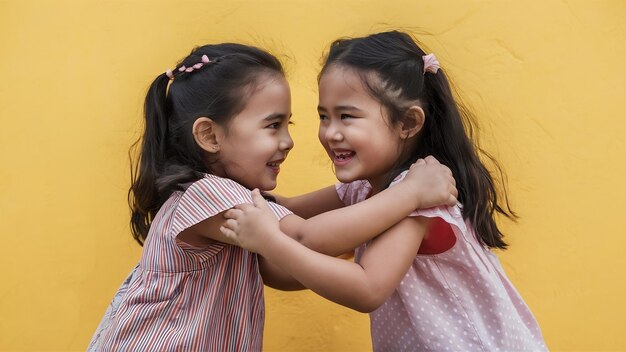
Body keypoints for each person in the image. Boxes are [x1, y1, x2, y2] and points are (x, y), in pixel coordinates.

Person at [89, 42, 457, 351]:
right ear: (210, 136)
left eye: (288, 125)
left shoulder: (232, 198)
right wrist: (411, 193)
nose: (288, 141)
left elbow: (289, 239)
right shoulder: (208, 194)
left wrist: (354, 206)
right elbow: (300, 236)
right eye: (272, 125)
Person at [221, 31, 548, 351]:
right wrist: (228, 189)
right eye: (324, 116)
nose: (330, 132)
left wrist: (268, 241)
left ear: (407, 123)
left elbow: (364, 286)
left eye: (347, 116)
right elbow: (289, 212)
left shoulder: (420, 202)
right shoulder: (364, 191)